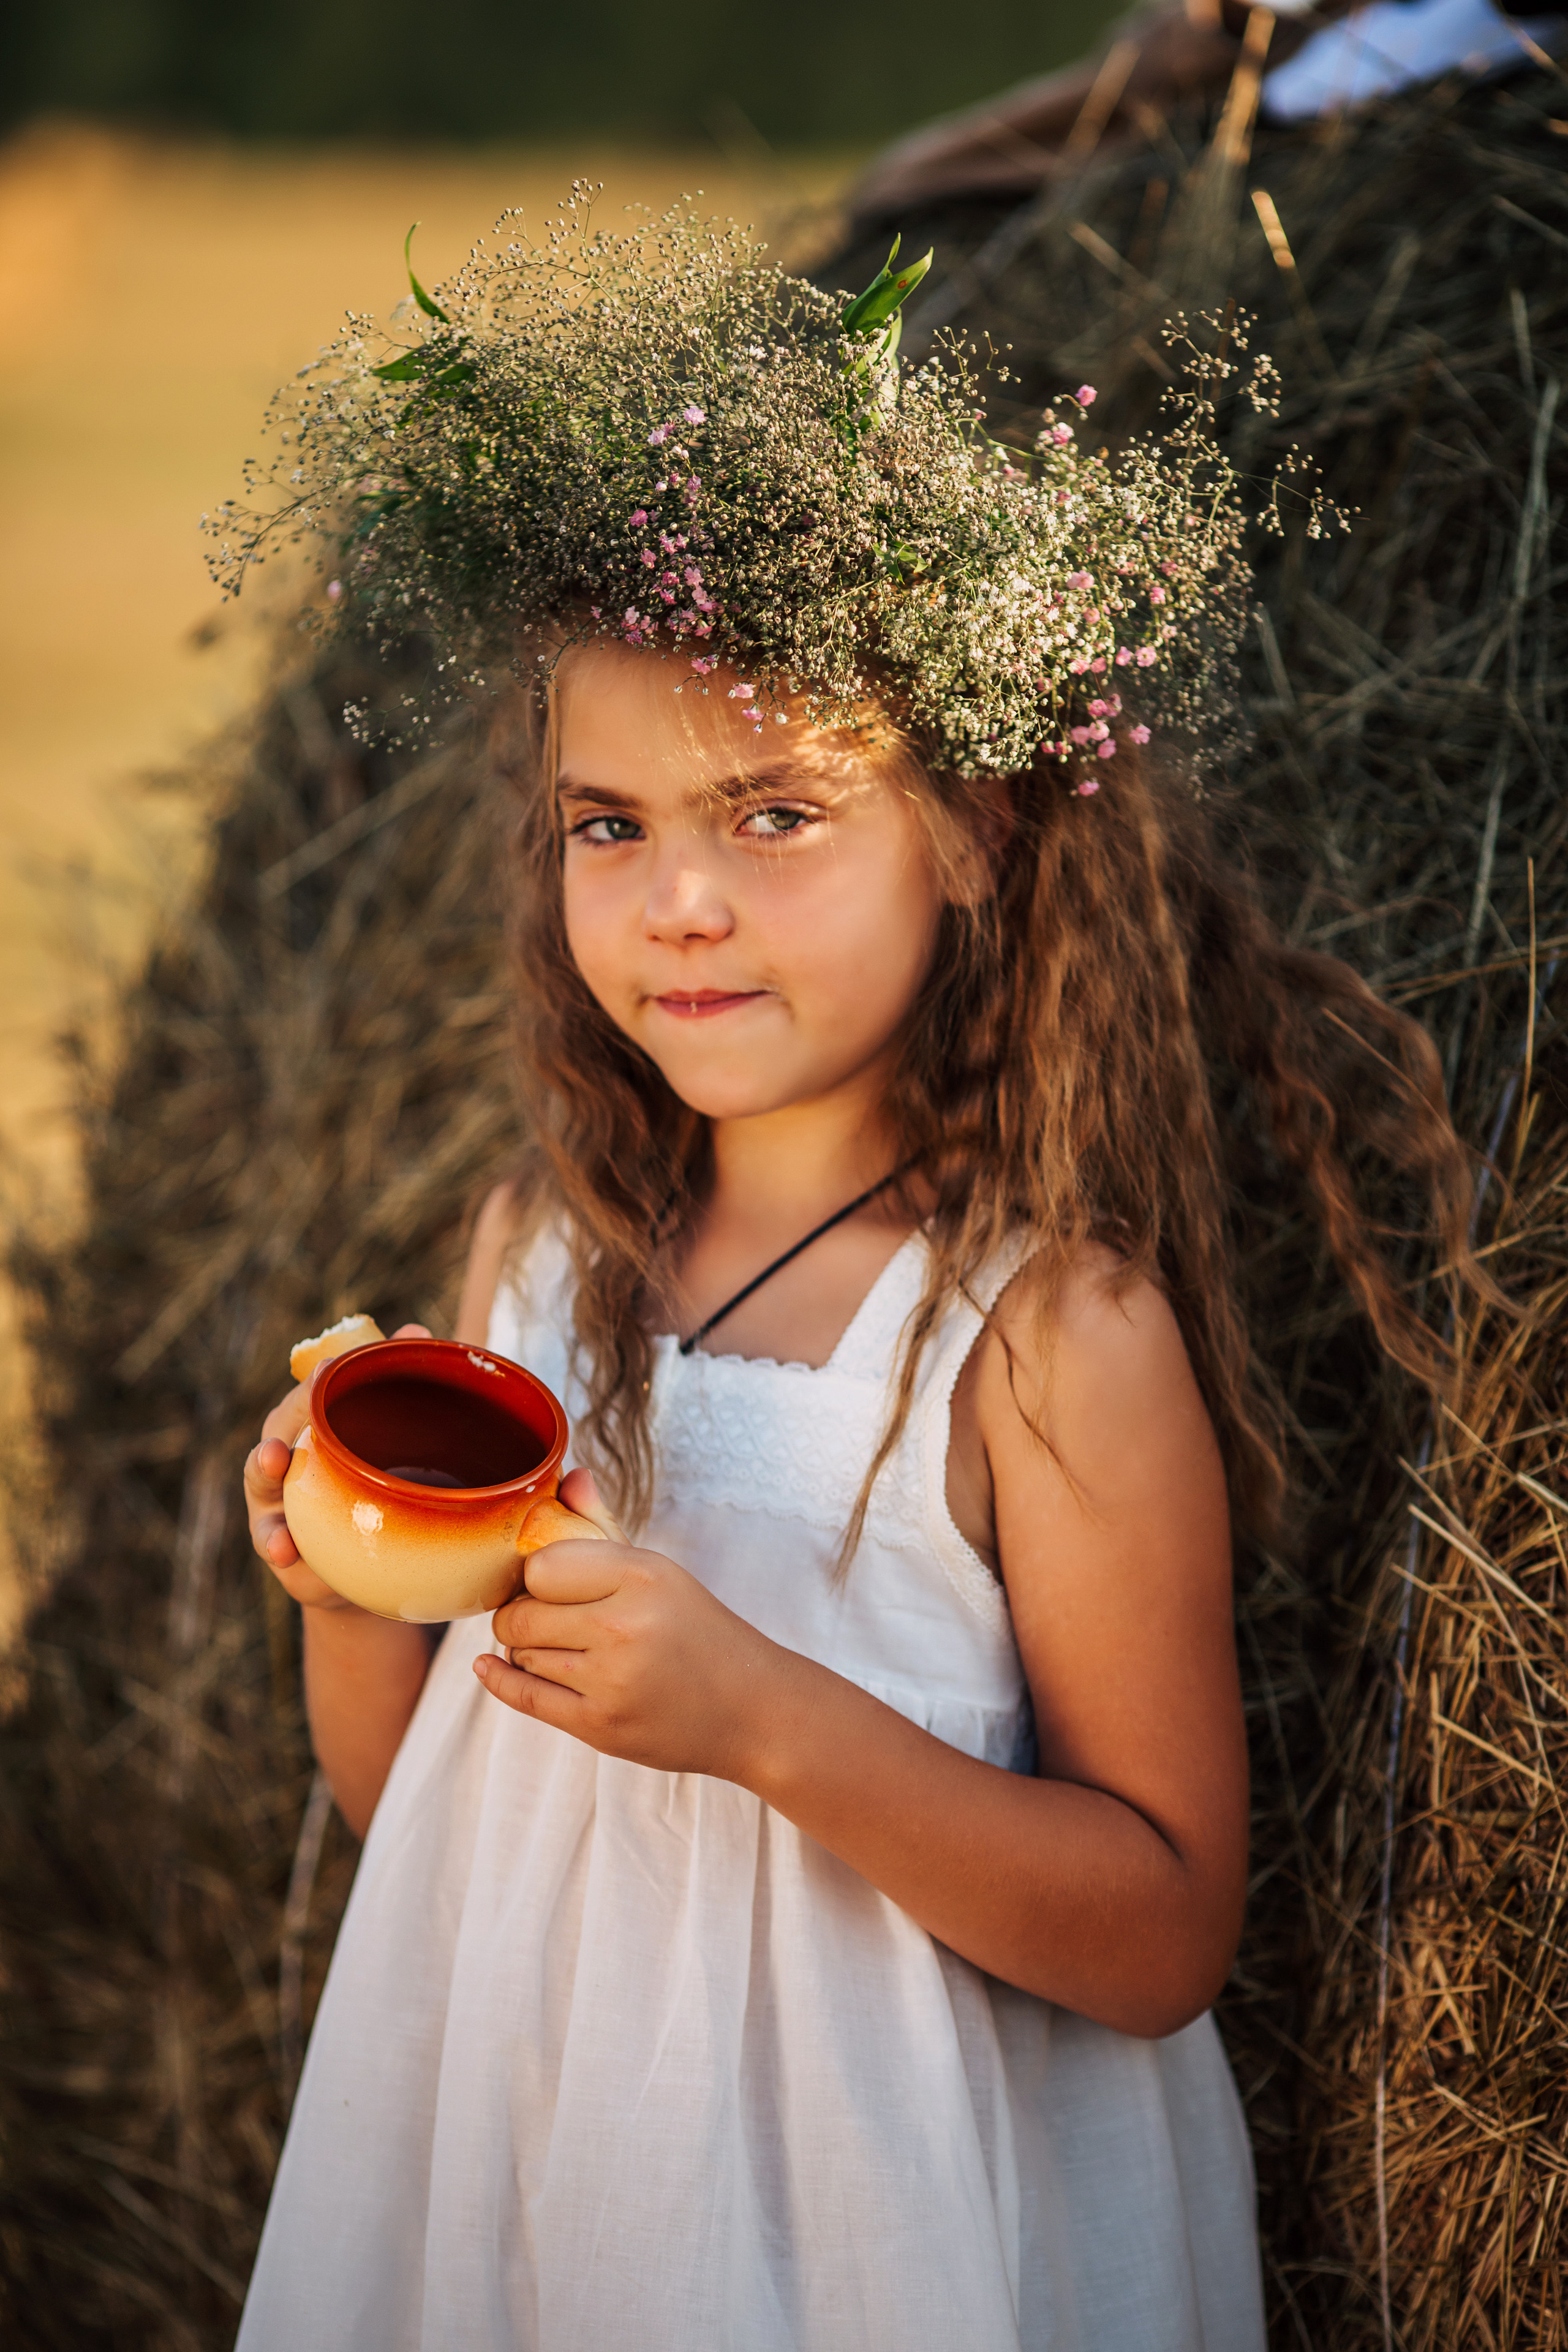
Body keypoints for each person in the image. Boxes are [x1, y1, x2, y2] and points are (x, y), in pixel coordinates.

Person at [229, 200, 1474, 2350]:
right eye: (608, 823)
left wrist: (770, 1726)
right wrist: (354, 1586)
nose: (678, 904)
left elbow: (1166, 1924)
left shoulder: (1042, 1338)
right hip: (530, 2183)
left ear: (975, 830)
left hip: (877, 2237)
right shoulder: (540, 1259)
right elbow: (429, 1808)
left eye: (777, 815)